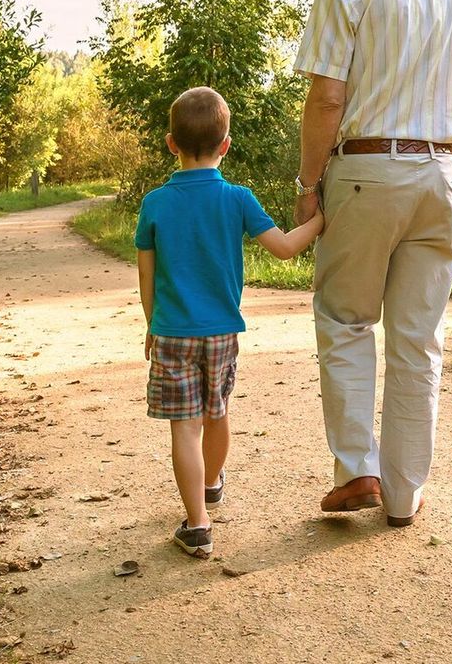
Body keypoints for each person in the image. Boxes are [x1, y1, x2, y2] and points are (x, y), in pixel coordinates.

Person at [293, 0, 452, 527]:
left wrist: (306, 185)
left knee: (347, 319)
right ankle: (404, 495)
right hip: (442, 173)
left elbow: (326, 98)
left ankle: (357, 472)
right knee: (417, 338)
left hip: (366, 173)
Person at [135, 86, 324, 557]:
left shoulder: (155, 203)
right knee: (216, 412)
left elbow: (146, 272)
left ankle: (197, 524)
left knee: (184, 426)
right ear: (226, 145)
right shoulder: (237, 198)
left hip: (173, 331)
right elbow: (283, 248)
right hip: (221, 332)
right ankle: (212, 483)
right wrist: (322, 221)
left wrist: (151, 324)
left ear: (171, 143)